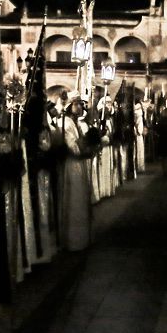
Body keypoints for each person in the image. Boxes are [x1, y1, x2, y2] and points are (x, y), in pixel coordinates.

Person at [58, 90, 93, 251]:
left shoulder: (76, 122)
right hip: (72, 165)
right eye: (77, 104)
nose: (79, 107)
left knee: (81, 199)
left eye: (80, 104)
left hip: (80, 166)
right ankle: (73, 241)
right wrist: (85, 147)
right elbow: (73, 146)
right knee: (74, 199)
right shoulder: (64, 123)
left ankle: (82, 238)